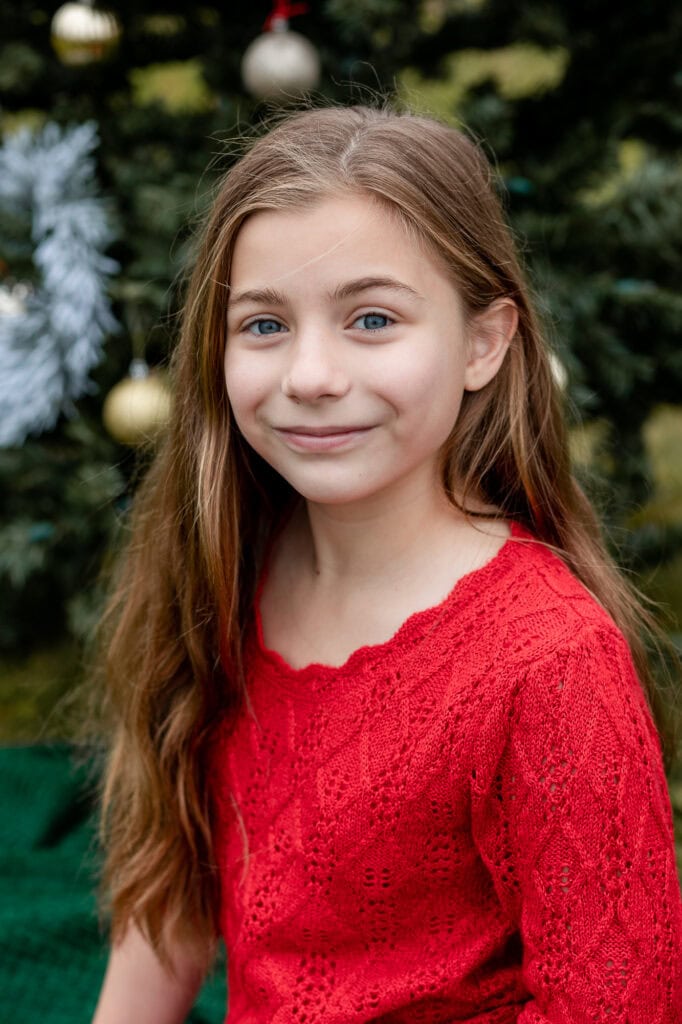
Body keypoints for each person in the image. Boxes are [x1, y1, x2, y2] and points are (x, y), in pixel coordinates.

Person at [90, 103, 682, 1024]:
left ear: (485, 342)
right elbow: (168, 885)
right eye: (263, 325)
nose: (312, 375)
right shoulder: (223, 564)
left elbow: (619, 1006)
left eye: (371, 318)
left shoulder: (549, 664)